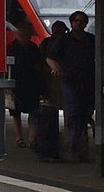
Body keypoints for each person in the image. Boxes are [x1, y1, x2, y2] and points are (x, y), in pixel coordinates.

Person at [46, 10, 95, 161]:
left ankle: (80, 147)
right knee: (73, 114)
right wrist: (57, 69)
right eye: (76, 21)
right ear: (71, 22)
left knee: (85, 114)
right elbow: (50, 58)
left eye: (81, 21)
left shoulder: (91, 40)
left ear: (86, 24)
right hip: (69, 81)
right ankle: (73, 148)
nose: (78, 24)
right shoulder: (64, 40)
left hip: (87, 81)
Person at [7, 20, 41, 147]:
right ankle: (20, 137)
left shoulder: (30, 48)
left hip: (29, 82)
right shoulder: (13, 48)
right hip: (17, 83)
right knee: (16, 112)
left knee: (30, 111)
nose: (26, 38)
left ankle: (30, 137)